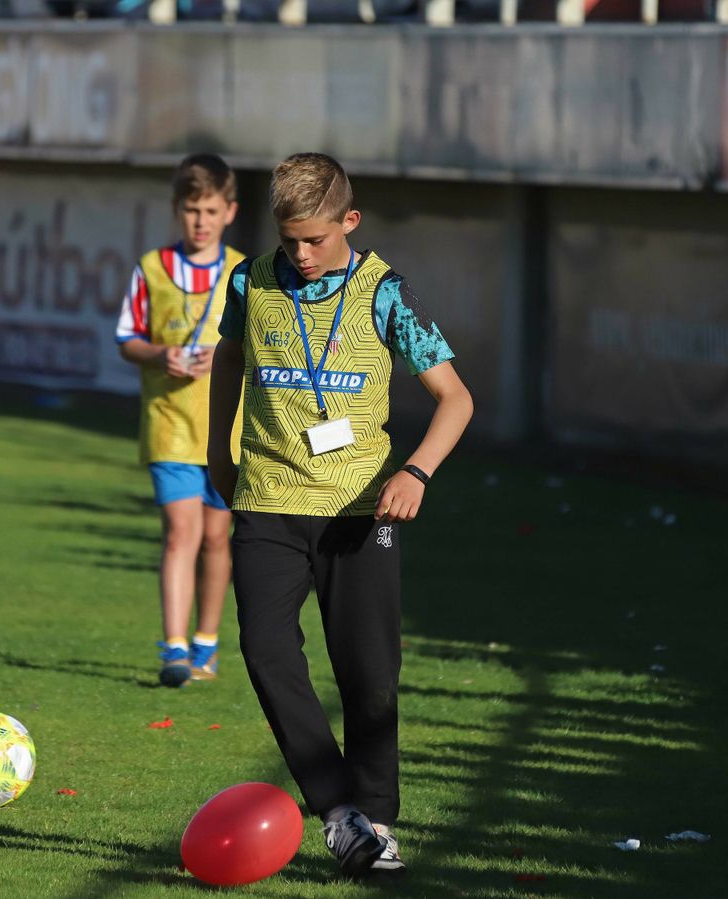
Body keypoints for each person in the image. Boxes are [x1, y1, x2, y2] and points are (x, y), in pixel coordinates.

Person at [207, 152, 473, 877]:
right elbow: (228, 358)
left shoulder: (387, 292)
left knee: (369, 675)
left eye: (316, 239)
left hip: (360, 507)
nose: (300, 253)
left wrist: (416, 470)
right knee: (265, 649)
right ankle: (336, 809)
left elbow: (457, 398)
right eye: (289, 239)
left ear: (349, 221)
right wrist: (216, 449)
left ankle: (376, 823)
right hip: (266, 498)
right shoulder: (249, 281)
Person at [115, 154, 246, 687]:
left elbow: (266, 344)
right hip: (169, 423)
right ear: (177, 210)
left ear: (230, 211)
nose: (200, 220)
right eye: (191, 209)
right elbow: (127, 338)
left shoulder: (245, 272)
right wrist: (158, 354)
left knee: (218, 538)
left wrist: (232, 356)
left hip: (227, 431)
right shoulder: (151, 268)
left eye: (210, 210)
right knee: (180, 533)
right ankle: (172, 648)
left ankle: (206, 645)